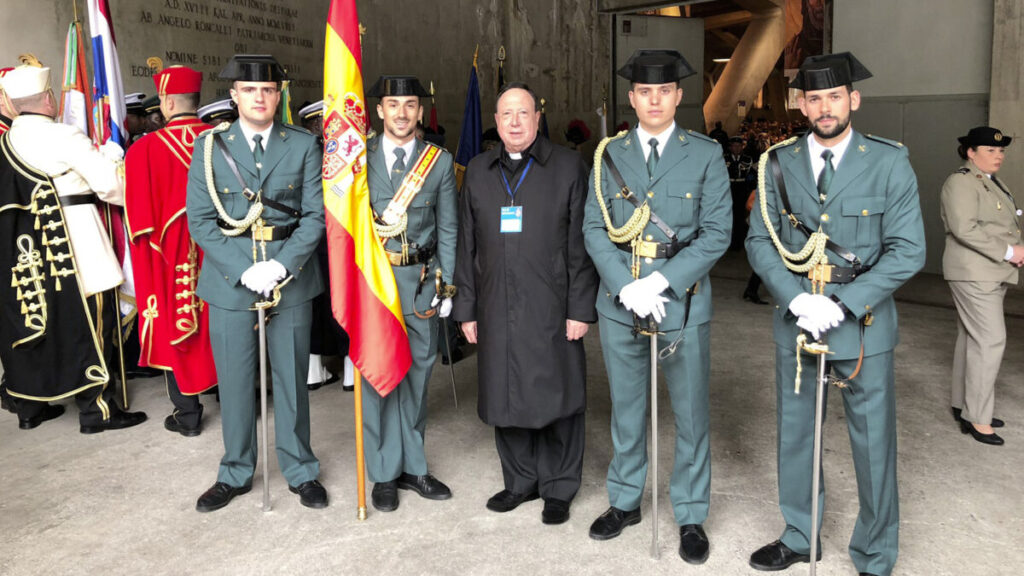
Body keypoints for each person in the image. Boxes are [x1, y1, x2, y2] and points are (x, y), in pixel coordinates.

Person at [745, 52, 925, 576]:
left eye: (834, 97)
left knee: (873, 444)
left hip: (863, 326)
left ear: (854, 99)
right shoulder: (777, 163)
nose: (825, 107)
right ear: (801, 106)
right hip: (799, 322)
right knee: (797, 434)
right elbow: (760, 242)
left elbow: (908, 250)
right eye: (814, 98)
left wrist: (843, 302)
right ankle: (800, 534)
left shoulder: (889, 162)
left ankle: (875, 553)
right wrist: (797, 298)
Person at [582, 49, 731, 563]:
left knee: (690, 413)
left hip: (682, 303)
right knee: (626, 410)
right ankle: (625, 500)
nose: (654, 100)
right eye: (645, 92)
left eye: (664, 91)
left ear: (678, 96)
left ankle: (690, 512)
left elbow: (717, 234)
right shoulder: (608, 154)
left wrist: (662, 283)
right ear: (632, 98)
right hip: (620, 301)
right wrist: (626, 286)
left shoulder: (705, 154)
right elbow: (594, 228)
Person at [186, 54, 328, 512]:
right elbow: (200, 221)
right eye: (249, 90)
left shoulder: (303, 144)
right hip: (231, 280)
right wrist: (244, 268)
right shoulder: (209, 147)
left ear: (278, 94)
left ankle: (300, 469)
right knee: (234, 381)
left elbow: (314, 216)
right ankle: (235, 471)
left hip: (290, 276)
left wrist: (281, 266)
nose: (259, 97)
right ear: (235, 95)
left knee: (291, 379)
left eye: (267, 89)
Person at [453, 82, 598, 526]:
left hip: (552, 305)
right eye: (506, 114)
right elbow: (465, 245)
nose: (514, 122)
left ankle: (558, 487)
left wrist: (580, 309)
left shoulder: (568, 166)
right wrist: (466, 309)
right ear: (496, 122)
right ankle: (519, 481)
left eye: (523, 113)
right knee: (506, 392)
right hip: (495, 304)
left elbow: (582, 245)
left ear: (538, 118)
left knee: (558, 394)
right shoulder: (478, 171)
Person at [0, 61, 147, 433]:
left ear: (13, 104)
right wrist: (113, 161)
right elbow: (110, 186)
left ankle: (30, 409)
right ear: (49, 99)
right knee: (93, 323)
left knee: (40, 325)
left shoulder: (5, 141)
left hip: (28, 250)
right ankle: (98, 410)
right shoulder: (63, 135)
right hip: (76, 239)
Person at [360, 75, 458, 512]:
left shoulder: (438, 162)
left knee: (418, 375)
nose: (402, 113)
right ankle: (384, 471)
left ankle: (414, 466)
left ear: (420, 111)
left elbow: (449, 227)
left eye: (411, 105)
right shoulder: (357, 159)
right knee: (379, 375)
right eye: (393, 104)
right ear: (379, 110)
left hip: (420, 281)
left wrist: (447, 283)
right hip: (375, 285)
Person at [124, 65, 218, 437]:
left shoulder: (142, 150)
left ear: (166, 102)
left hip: (169, 257)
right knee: (221, 320)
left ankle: (187, 413)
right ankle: (235, 399)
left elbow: (138, 222)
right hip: (220, 252)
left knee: (175, 318)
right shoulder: (223, 139)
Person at [940, 126, 1024, 446]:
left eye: (1001, 150)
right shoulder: (961, 181)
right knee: (990, 340)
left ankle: (963, 405)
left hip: (989, 271)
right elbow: (964, 228)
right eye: (990, 150)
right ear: (970, 152)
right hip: (973, 272)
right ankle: (978, 417)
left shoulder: (991, 181)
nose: (998, 155)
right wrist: (1009, 251)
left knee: (971, 337)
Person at [725, 136, 756, 251]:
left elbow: (752, 176)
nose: (737, 148)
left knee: (741, 215)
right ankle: (729, 241)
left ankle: (740, 241)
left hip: (742, 189)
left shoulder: (748, 159)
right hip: (728, 189)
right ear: (730, 147)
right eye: (734, 146)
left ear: (742, 147)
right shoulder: (723, 159)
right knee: (729, 216)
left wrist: (751, 189)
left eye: (739, 146)